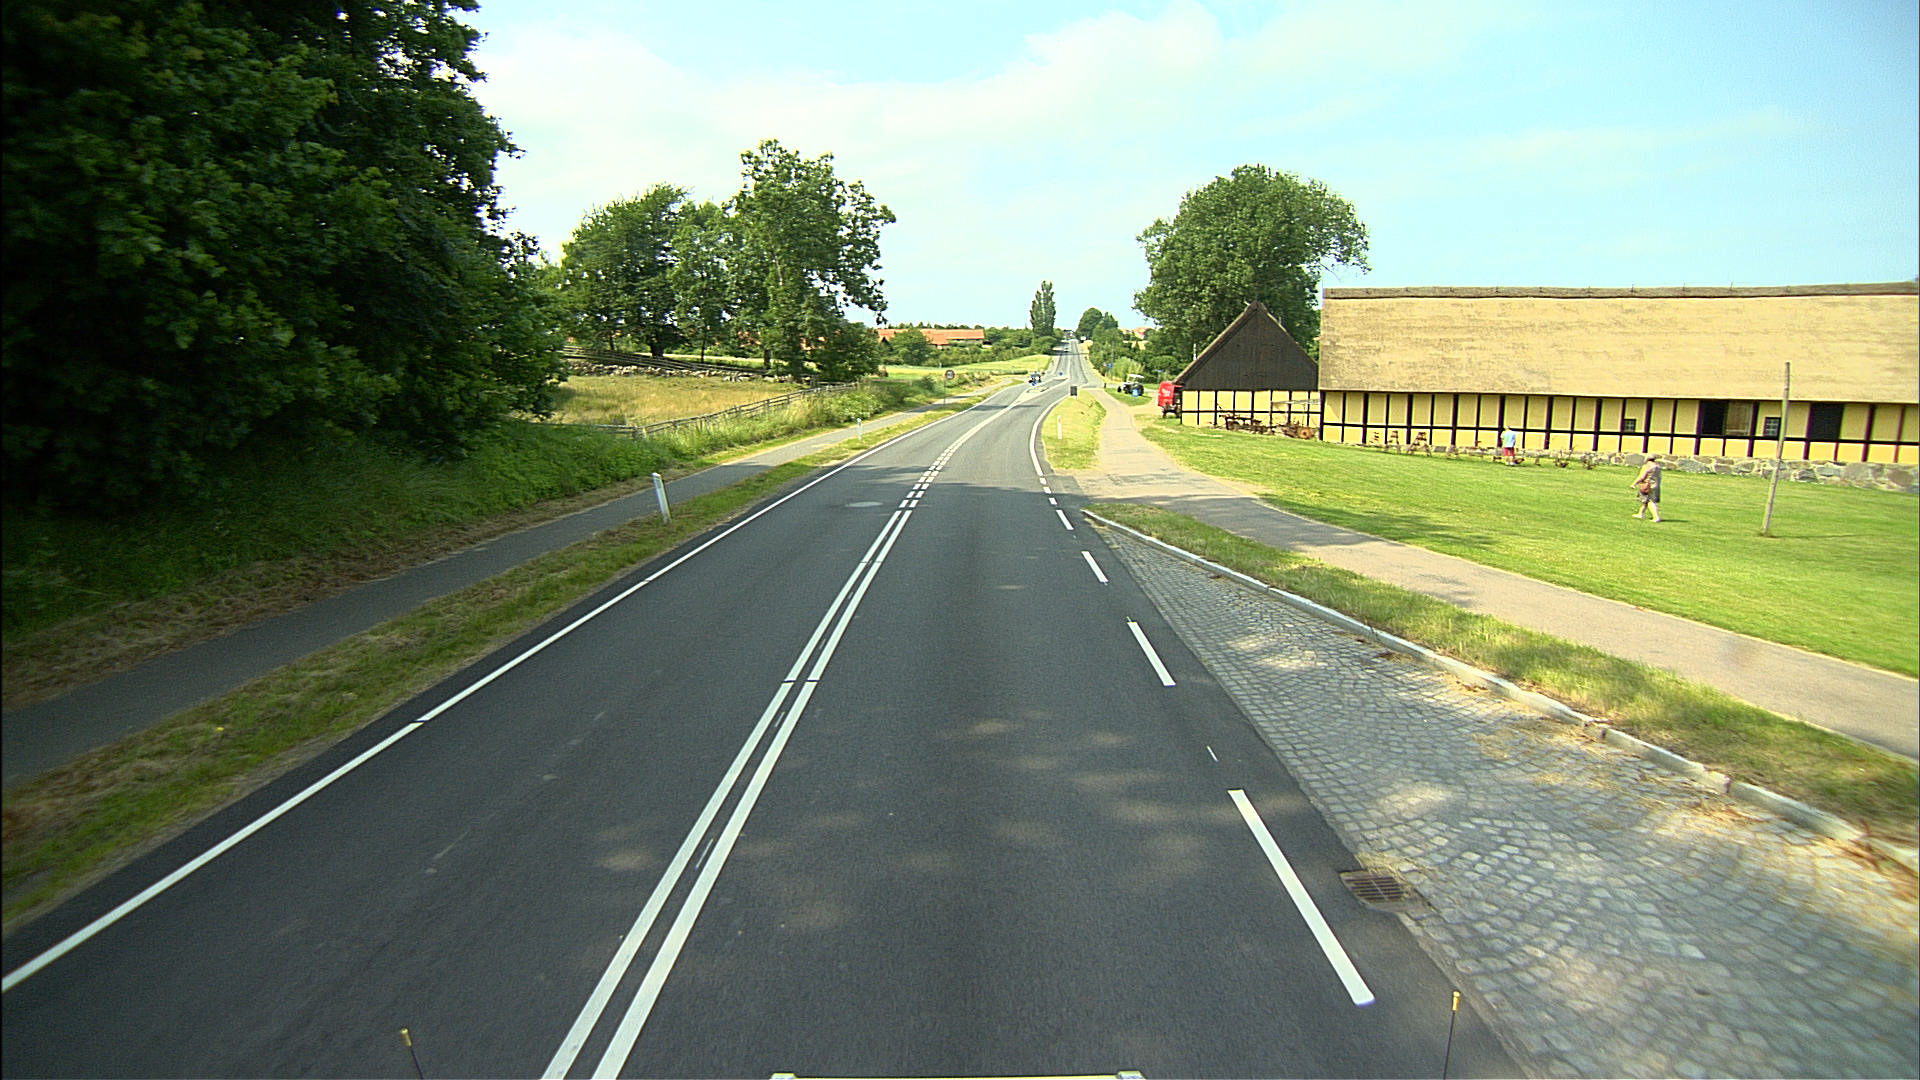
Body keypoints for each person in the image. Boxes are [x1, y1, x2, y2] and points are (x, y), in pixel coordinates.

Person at [1632, 455, 1664, 522]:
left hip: (1648, 485)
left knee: (1650, 501)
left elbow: (1642, 476)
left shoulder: (1647, 466)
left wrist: (1634, 484)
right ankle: (1640, 513)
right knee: (1646, 500)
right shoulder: (1657, 466)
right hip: (1656, 485)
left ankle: (1656, 517)